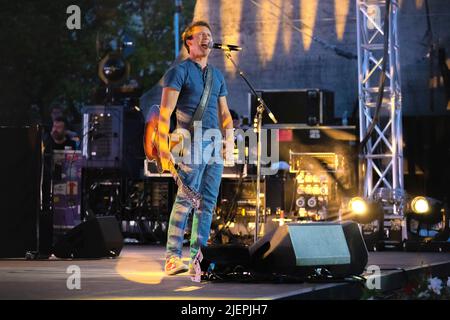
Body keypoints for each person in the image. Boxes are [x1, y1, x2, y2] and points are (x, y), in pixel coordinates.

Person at [158, 20, 234, 275]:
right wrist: (164, 146)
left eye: (209, 35)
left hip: (213, 142)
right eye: (200, 35)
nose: (206, 39)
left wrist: (229, 139)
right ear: (189, 42)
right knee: (187, 199)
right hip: (188, 140)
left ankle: (197, 258)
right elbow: (164, 113)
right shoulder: (179, 72)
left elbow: (225, 114)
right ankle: (171, 257)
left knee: (208, 202)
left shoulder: (217, 75)